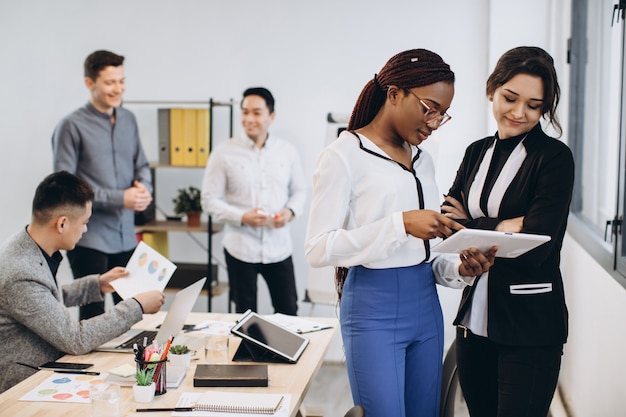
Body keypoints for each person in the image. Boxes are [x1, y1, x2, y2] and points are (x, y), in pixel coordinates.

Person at [304, 49, 497, 417]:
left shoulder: (423, 159)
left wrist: (458, 269)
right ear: (394, 94)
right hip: (372, 312)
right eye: (429, 108)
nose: (435, 122)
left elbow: (423, 254)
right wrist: (401, 224)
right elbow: (318, 248)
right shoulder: (343, 155)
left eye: (443, 114)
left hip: (426, 306)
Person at [440, 46, 574, 417]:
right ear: (491, 91)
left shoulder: (554, 158)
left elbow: (538, 246)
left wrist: (473, 225)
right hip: (474, 322)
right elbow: (447, 222)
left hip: (529, 326)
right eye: (510, 98)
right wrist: (503, 227)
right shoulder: (475, 152)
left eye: (534, 105)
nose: (518, 112)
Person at [0, 171, 164, 393]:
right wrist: (137, 306)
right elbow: (75, 339)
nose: (86, 229)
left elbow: (46, 298)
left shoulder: (28, 245)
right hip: (26, 385)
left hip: (51, 369)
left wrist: (97, 284)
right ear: (62, 224)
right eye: (85, 222)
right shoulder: (21, 272)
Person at [52, 50, 153, 320]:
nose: (118, 88)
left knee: (134, 311)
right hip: (89, 238)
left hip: (125, 235)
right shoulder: (70, 126)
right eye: (110, 82)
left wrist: (144, 189)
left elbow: (142, 164)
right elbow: (65, 187)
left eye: (121, 81)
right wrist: (121, 198)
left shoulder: (129, 120)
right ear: (90, 83)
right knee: (94, 317)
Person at [201, 87, 306, 315]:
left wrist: (290, 211)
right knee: (245, 316)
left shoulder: (287, 151)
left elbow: (300, 191)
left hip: (279, 247)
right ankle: (248, 353)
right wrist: (242, 217)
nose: (249, 119)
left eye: (257, 113)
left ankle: (283, 353)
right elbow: (209, 200)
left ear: (271, 116)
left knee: (289, 311)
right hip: (240, 247)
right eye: (245, 112)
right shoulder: (223, 152)